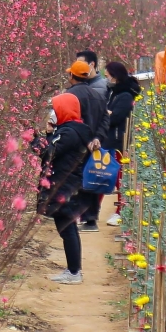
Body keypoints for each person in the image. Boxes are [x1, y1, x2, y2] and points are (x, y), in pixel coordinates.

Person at [35, 92, 92, 285]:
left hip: (64, 186)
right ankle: (73, 270)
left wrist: (33, 140)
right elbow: (56, 149)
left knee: (67, 228)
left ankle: (74, 272)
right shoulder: (72, 130)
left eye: (55, 108)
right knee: (67, 227)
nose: (53, 112)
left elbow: (47, 153)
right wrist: (51, 134)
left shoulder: (69, 133)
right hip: (68, 184)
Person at [68, 52, 110, 231]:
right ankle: (91, 219)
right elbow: (105, 119)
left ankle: (74, 216)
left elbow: (69, 121)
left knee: (75, 181)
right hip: (93, 146)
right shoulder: (98, 95)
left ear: (72, 76)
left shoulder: (69, 96)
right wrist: (97, 138)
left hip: (75, 145)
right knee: (92, 179)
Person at [101, 61, 141, 227]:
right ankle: (90, 212)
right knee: (104, 176)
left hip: (119, 142)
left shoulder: (124, 95)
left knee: (120, 178)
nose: (106, 77)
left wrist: (106, 114)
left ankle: (122, 212)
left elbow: (115, 118)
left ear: (115, 76)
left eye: (108, 75)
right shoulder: (114, 92)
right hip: (110, 140)